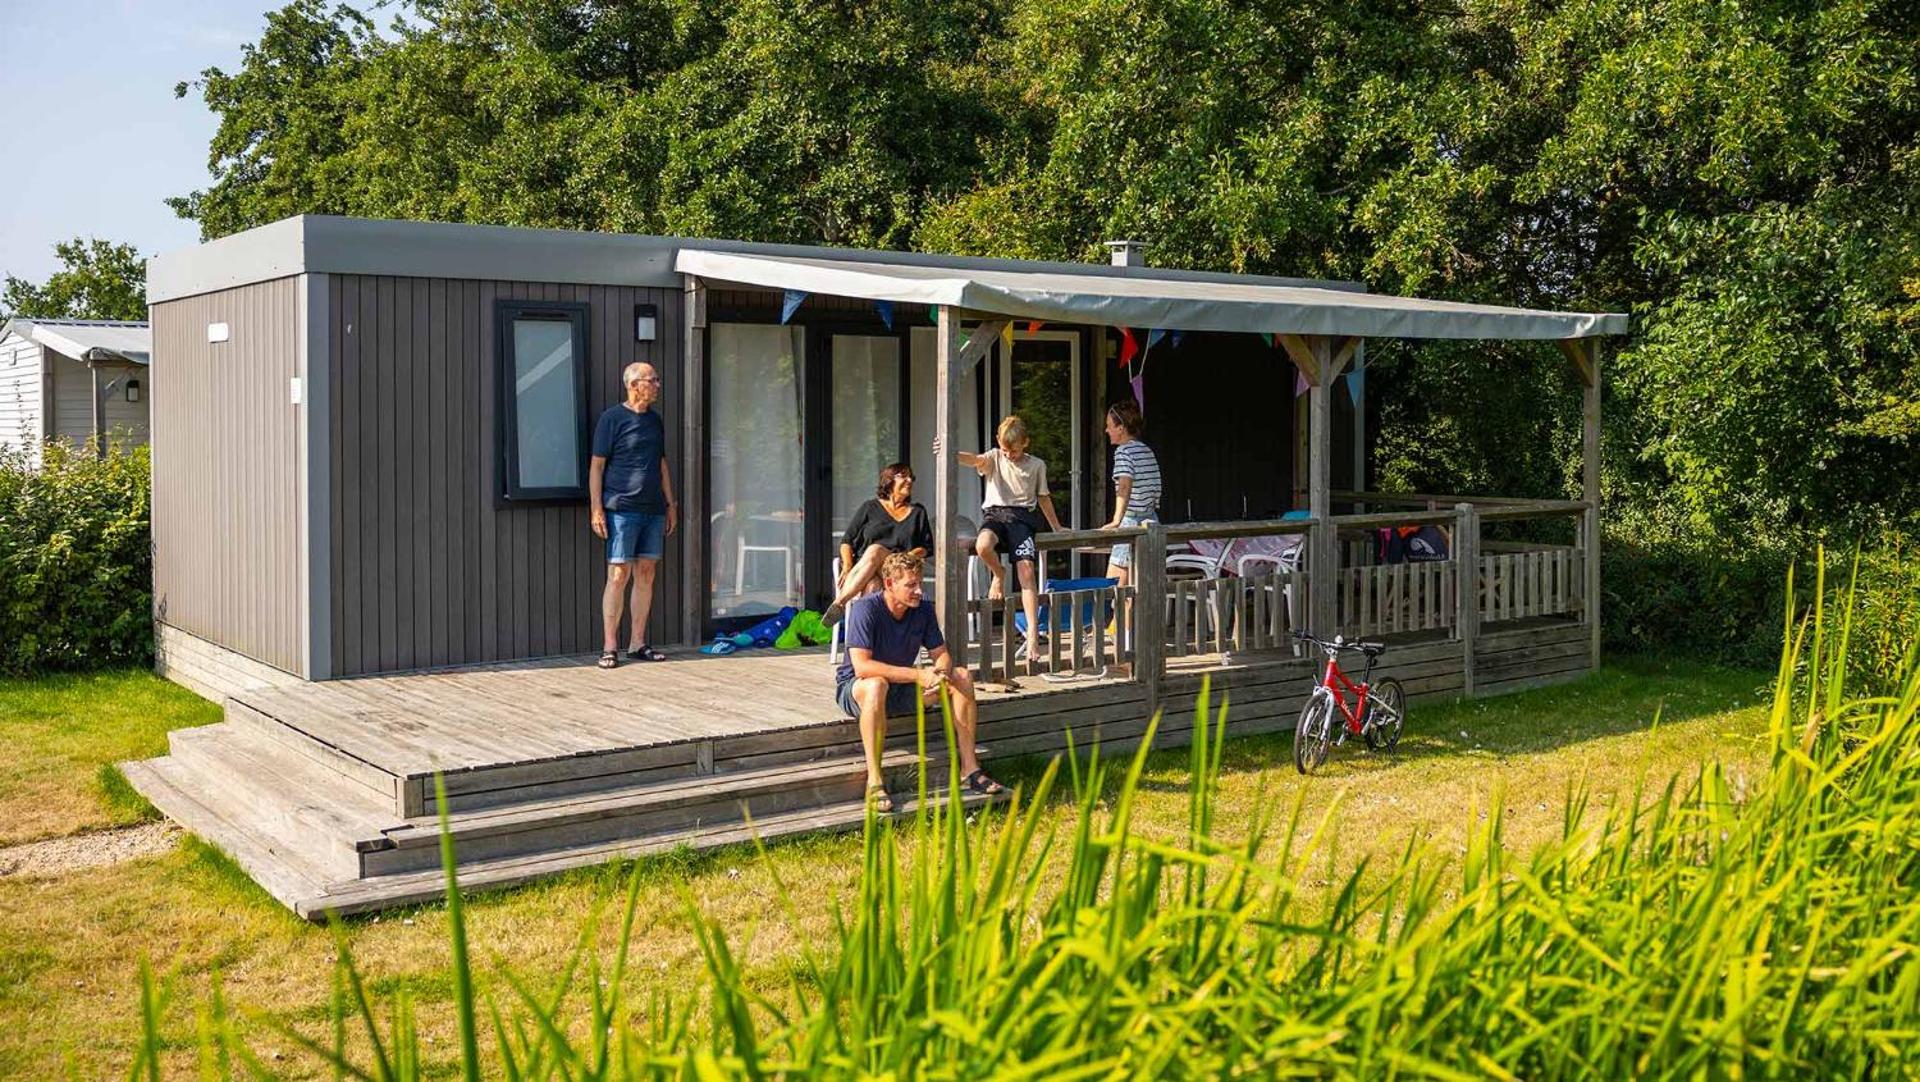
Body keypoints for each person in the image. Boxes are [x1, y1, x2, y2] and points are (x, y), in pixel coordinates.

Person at [836, 550, 1005, 811]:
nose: (918, 591)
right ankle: (875, 781)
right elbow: (862, 667)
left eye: (920, 583)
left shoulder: (923, 608)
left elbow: (942, 655)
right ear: (889, 584)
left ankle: (970, 769)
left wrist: (940, 673)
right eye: (911, 585)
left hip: (901, 689)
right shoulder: (865, 608)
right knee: (877, 684)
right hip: (858, 689)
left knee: (961, 676)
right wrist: (918, 675)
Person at [938, 415, 1065, 658]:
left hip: (1022, 518)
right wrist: (950, 452)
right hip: (995, 514)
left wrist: (1056, 527)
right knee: (983, 545)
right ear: (998, 441)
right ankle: (999, 573)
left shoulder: (1037, 465)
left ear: (1025, 442)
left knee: (1027, 571)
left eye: (1014, 450)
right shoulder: (995, 457)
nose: (1009, 455)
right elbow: (975, 460)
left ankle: (1032, 635)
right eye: (1005, 450)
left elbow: (1043, 497)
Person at [589, 362, 678, 668]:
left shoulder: (655, 421)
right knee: (618, 574)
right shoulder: (611, 419)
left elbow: (661, 463)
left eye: (657, 379)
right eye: (652, 380)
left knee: (646, 573)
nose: (657, 385)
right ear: (633, 384)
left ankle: (637, 643)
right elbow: (597, 466)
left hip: (653, 508)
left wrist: (671, 504)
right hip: (621, 509)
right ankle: (609, 646)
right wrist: (597, 508)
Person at [823, 462, 933, 626]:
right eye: (903, 476)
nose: (909, 480)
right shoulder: (870, 507)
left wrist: (906, 556)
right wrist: (847, 566)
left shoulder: (918, 512)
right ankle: (868, 636)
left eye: (911, 477)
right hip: (867, 570)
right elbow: (847, 541)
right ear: (889, 480)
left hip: (898, 569)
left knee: (875, 550)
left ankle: (840, 602)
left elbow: (926, 547)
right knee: (873, 586)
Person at [1100, 399, 1162, 588]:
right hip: (1151, 520)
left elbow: (1124, 486)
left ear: (1121, 428)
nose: (1106, 430)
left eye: (1109, 426)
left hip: (1131, 522)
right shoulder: (1146, 450)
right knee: (1139, 589)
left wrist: (1117, 520)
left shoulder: (1123, 451)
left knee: (1114, 588)